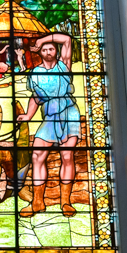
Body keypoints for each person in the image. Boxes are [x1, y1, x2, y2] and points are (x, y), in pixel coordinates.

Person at [16, 32, 80, 218]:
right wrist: (28, 115)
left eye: (51, 48)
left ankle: (65, 202)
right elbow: (36, 97)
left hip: (69, 112)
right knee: (37, 155)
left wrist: (42, 40)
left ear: (55, 51)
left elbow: (66, 40)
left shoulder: (63, 65)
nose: (48, 51)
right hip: (50, 116)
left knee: (67, 156)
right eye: (45, 50)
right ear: (41, 54)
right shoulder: (35, 73)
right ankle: (37, 202)